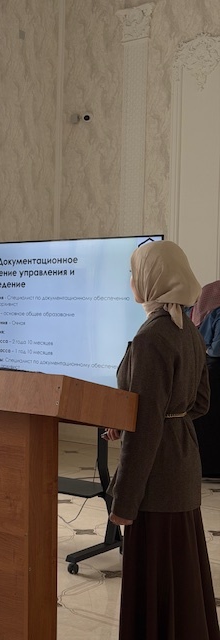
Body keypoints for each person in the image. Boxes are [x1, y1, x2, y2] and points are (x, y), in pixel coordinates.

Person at [103, 240, 219, 640]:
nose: (131, 281)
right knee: (180, 576)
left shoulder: (151, 337)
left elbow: (146, 430)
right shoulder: (188, 331)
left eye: (134, 273)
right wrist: (161, 418)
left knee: (155, 579)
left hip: (156, 479)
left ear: (153, 279)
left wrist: (124, 503)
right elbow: (200, 402)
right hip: (183, 466)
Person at [190, 280, 220, 478]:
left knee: (207, 420)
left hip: (207, 368)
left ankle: (206, 467)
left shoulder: (206, 299)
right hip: (213, 369)